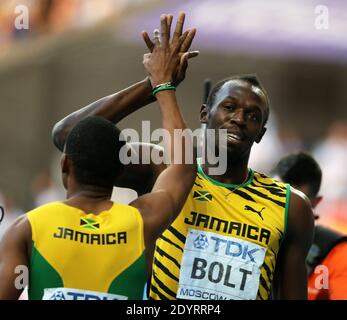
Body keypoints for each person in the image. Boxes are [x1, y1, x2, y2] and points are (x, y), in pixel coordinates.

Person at [50, 12, 314, 300]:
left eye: (252, 116)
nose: (239, 118)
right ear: (205, 114)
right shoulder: (162, 171)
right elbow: (69, 137)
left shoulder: (291, 207)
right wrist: (151, 85)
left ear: (261, 133)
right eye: (229, 107)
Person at [0, 14, 196, 300]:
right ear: (120, 173)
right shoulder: (143, 221)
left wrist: (154, 84)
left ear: (65, 165)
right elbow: (183, 165)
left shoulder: (27, 228)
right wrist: (162, 84)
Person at [273, 152, 347, 300]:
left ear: (316, 203)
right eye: (276, 197)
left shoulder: (338, 253)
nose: (287, 211)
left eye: (299, 203)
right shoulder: (243, 232)